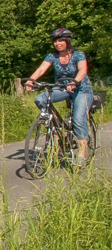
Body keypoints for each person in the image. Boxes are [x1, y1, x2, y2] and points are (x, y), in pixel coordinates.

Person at [25, 28, 93, 167]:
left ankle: (82, 153)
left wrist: (75, 81)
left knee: (78, 119)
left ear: (67, 41)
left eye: (61, 40)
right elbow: (41, 69)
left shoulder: (78, 54)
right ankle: (57, 124)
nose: (57, 43)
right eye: (55, 41)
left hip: (81, 89)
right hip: (62, 88)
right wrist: (31, 80)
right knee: (40, 99)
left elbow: (82, 70)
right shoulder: (52, 56)